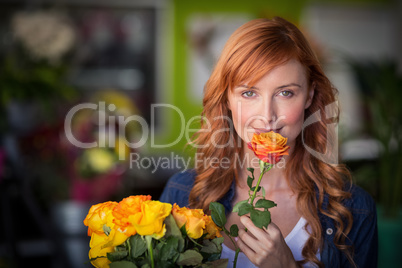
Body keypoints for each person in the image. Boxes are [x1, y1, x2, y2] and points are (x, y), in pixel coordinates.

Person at [160, 17, 377, 268]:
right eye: (249, 93)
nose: (267, 116)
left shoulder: (354, 209)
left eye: (285, 93)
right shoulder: (182, 194)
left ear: (310, 95)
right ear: (227, 99)